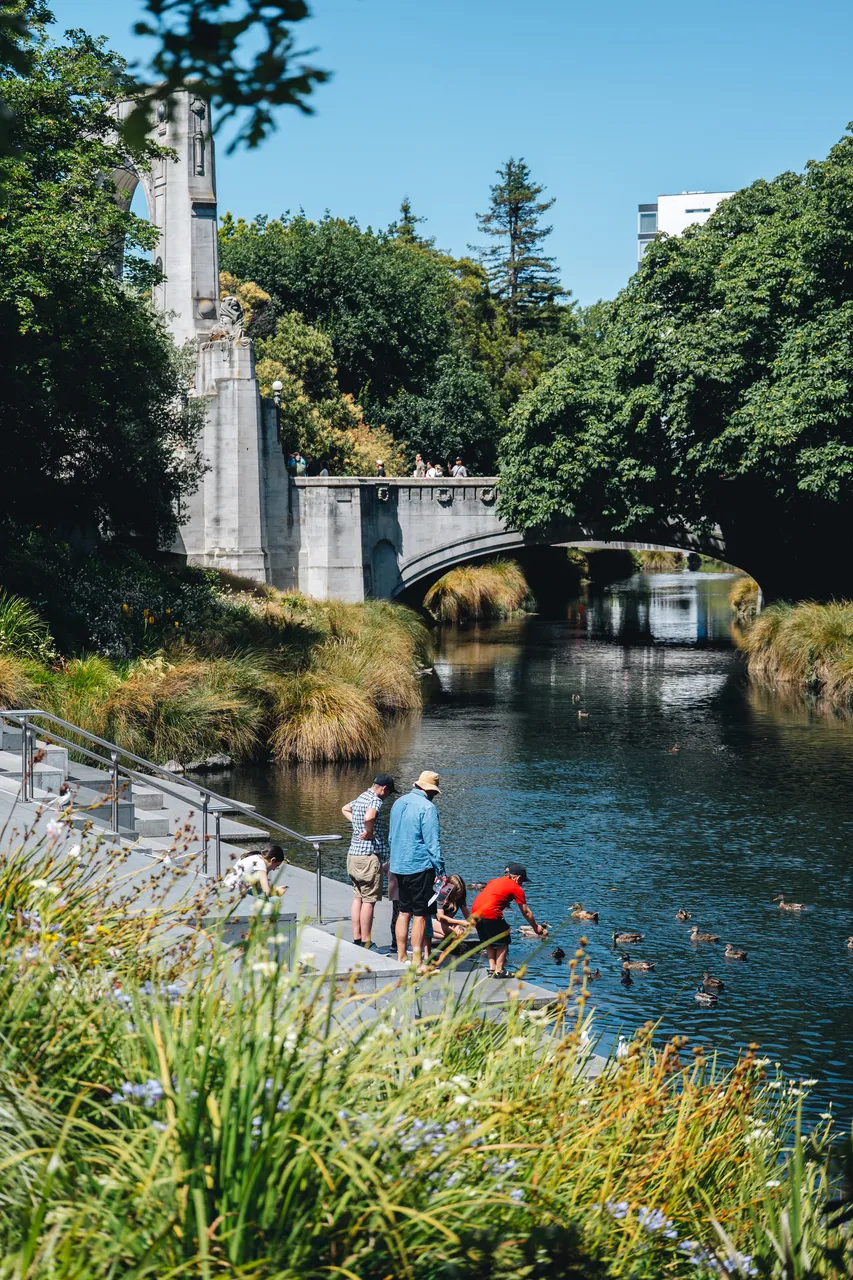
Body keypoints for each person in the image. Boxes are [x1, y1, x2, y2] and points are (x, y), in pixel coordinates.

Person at [389, 769, 444, 966]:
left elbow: (391, 836)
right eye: (435, 793)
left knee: (404, 911)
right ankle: (418, 961)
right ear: (430, 791)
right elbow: (432, 844)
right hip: (420, 866)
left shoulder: (398, 803)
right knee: (420, 915)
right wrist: (441, 871)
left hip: (399, 865)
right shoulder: (427, 808)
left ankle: (401, 956)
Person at [342, 773, 396, 948]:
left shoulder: (361, 797)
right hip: (368, 857)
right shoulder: (375, 800)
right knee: (369, 901)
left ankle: (357, 938)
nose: (387, 797)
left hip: (353, 855)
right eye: (389, 793)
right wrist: (369, 830)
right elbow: (369, 816)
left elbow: (344, 808)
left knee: (357, 897)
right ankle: (366, 941)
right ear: (384, 789)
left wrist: (356, 825)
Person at [470, 862, 546, 978]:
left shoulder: (493, 881)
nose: (522, 884)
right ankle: (499, 970)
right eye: (522, 881)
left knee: (489, 941)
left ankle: (492, 969)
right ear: (517, 877)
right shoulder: (515, 887)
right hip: (490, 913)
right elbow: (526, 912)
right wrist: (536, 927)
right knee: (504, 938)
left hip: (475, 913)